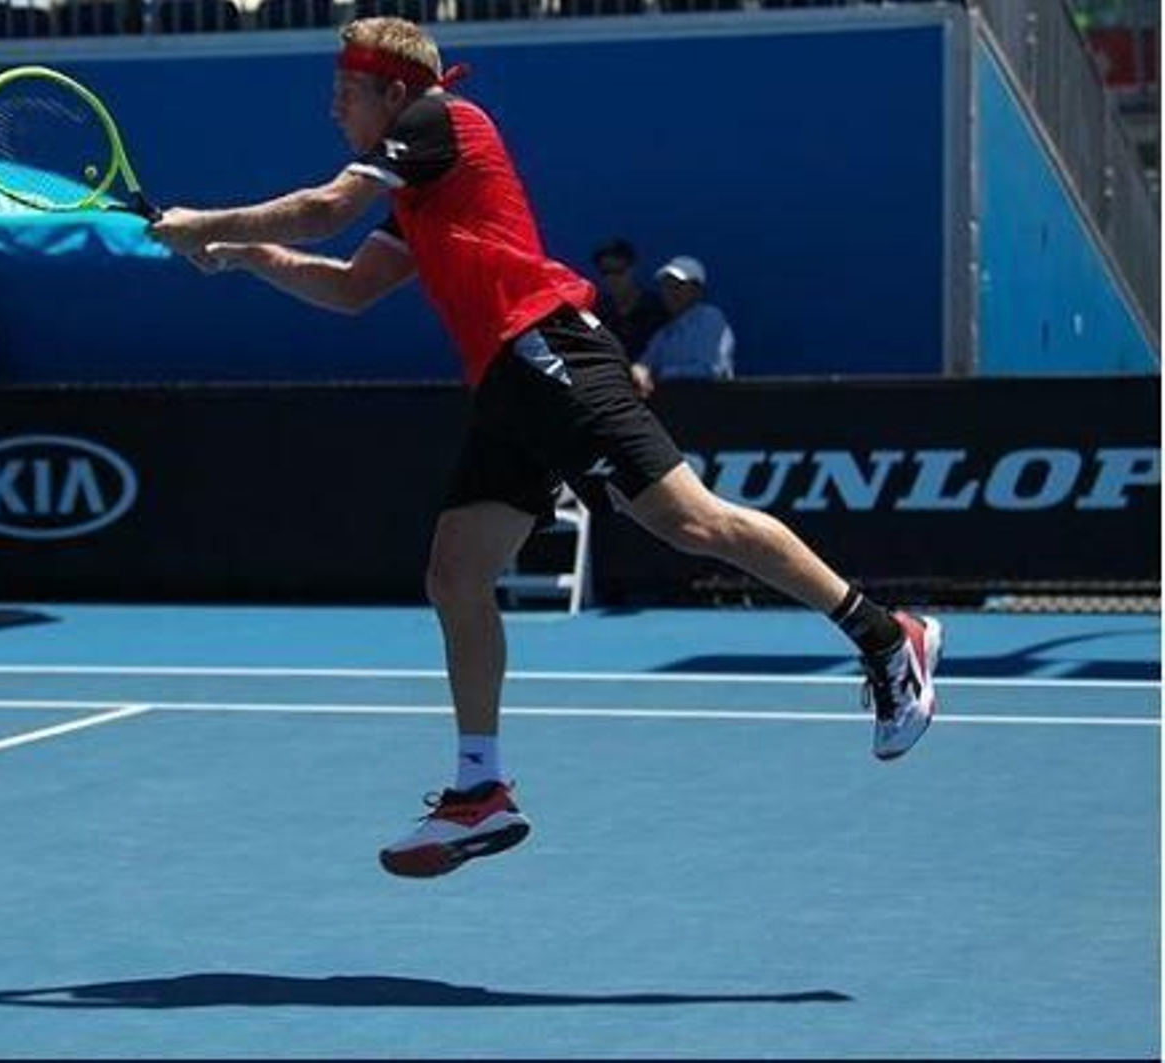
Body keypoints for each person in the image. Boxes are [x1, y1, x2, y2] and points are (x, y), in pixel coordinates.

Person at [149, 16, 943, 880]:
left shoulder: (441, 121)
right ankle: (480, 790)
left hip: (546, 347)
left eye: (345, 93)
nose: (332, 109)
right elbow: (351, 289)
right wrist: (246, 254)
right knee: (456, 573)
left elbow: (325, 209)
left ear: (393, 93)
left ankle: (885, 634)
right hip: (507, 383)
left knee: (689, 521)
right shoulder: (419, 183)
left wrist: (202, 223)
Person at [632, 254, 734, 396]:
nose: (670, 291)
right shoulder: (664, 334)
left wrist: (657, 373)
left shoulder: (711, 318)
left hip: (711, 404)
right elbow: (643, 366)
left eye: (678, 285)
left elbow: (710, 371)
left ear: (698, 290)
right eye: (666, 286)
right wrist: (637, 371)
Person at [591, 238, 668, 363]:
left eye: (618, 271)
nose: (612, 278)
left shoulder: (657, 309)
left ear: (633, 269)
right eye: (606, 272)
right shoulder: (598, 312)